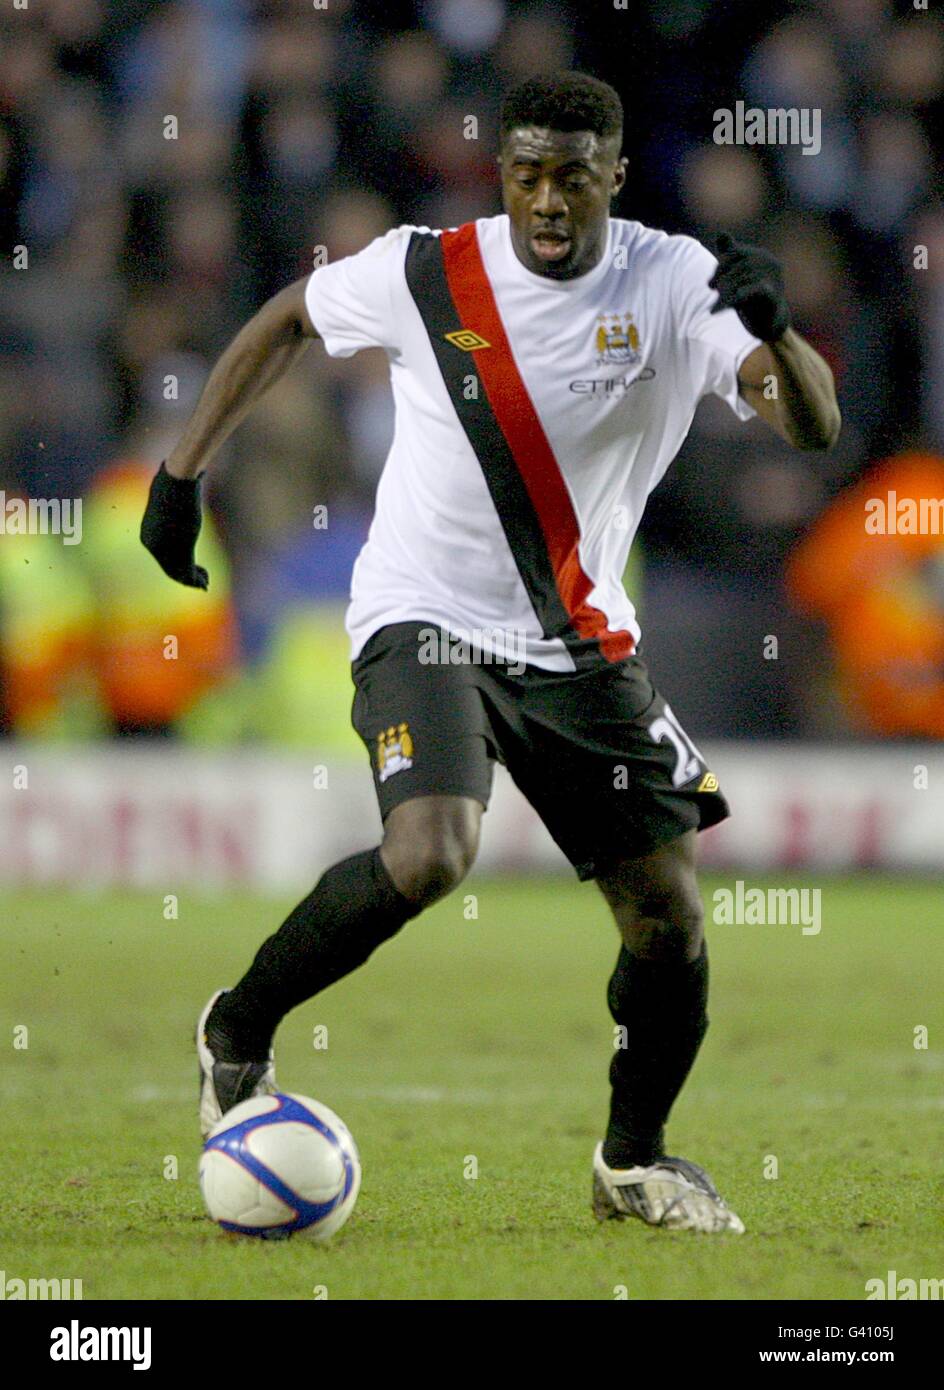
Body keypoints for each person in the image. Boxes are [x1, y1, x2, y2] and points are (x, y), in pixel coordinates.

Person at [140, 71, 840, 1233]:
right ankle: (235, 1028)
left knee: (667, 919)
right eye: (525, 175)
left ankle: (633, 1162)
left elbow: (810, 424)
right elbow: (285, 321)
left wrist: (775, 328)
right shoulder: (427, 268)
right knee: (430, 852)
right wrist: (181, 473)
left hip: (575, 645)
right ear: (499, 175)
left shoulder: (671, 283)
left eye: (572, 175)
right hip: (424, 615)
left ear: (612, 175)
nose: (547, 200)